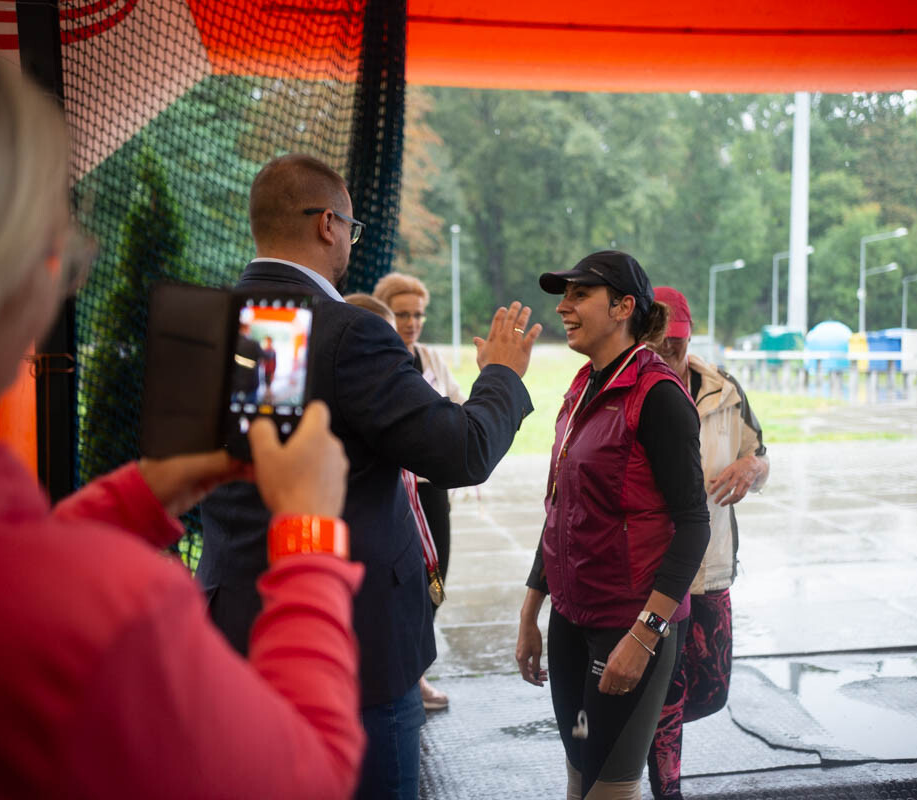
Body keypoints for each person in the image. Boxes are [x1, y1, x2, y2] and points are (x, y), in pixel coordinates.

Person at [0, 23, 365, 798]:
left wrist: (140, 495)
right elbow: (309, 773)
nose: (60, 286)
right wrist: (307, 530)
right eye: (54, 255)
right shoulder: (110, 613)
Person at [198, 154, 541, 800]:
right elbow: (460, 451)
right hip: (349, 651)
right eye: (350, 228)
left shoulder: (215, 322)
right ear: (328, 224)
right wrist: (501, 375)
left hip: (235, 633)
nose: (351, 242)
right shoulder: (347, 333)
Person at [515, 251, 710, 800]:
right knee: (580, 777)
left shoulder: (660, 397)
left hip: (628, 627)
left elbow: (694, 525)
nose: (564, 306)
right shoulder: (582, 386)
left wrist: (645, 634)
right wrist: (532, 610)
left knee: (610, 789)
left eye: (580, 295)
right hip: (571, 622)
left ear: (624, 306)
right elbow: (562, 510)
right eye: (565, 295)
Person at [646, 287, 770, 800]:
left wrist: (751, 467)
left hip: (714, 566)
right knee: (667, 696)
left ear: (690, 335)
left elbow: (761, 457)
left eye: (675, 341)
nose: (667, 352)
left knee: (712, 690)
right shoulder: (639, 388)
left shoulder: (726, 389)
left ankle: (641, 735)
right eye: (657, 341)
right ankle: (663, 785)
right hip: (658, 574)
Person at [373, 271, 465, 711]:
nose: (412, 323)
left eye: (418, 314)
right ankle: (411, 678)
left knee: (434, 580)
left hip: (430, 489)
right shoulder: (376, 359)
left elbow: (459, 410)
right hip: (390, 489)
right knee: (398, 581)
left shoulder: (430, 359)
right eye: (403, 314)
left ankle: (415, 668)